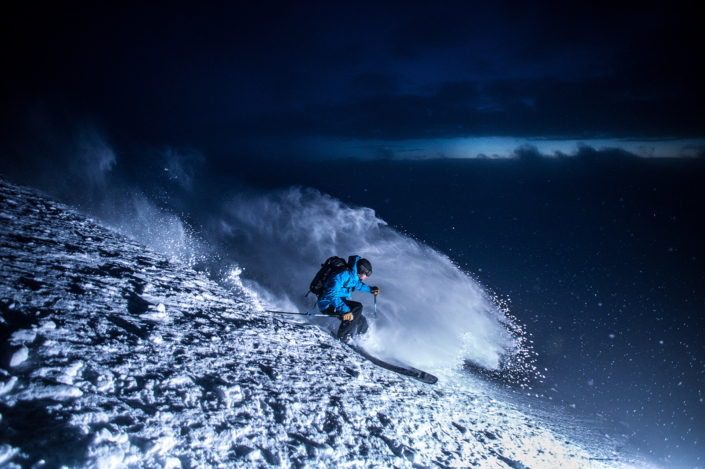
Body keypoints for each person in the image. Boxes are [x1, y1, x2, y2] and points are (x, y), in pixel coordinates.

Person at [317, 255, 379, 342]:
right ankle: (343, 338)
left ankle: (361, 340)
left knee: (362, 321)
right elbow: (330, 293)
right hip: (328, 304)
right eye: (367, 273)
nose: (368, 276)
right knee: (357, 307)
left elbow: (358, 285)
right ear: (362, 270)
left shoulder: (353, 276)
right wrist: (345, 310)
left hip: (338, 303)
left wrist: (371, 290)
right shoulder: (343, 274)